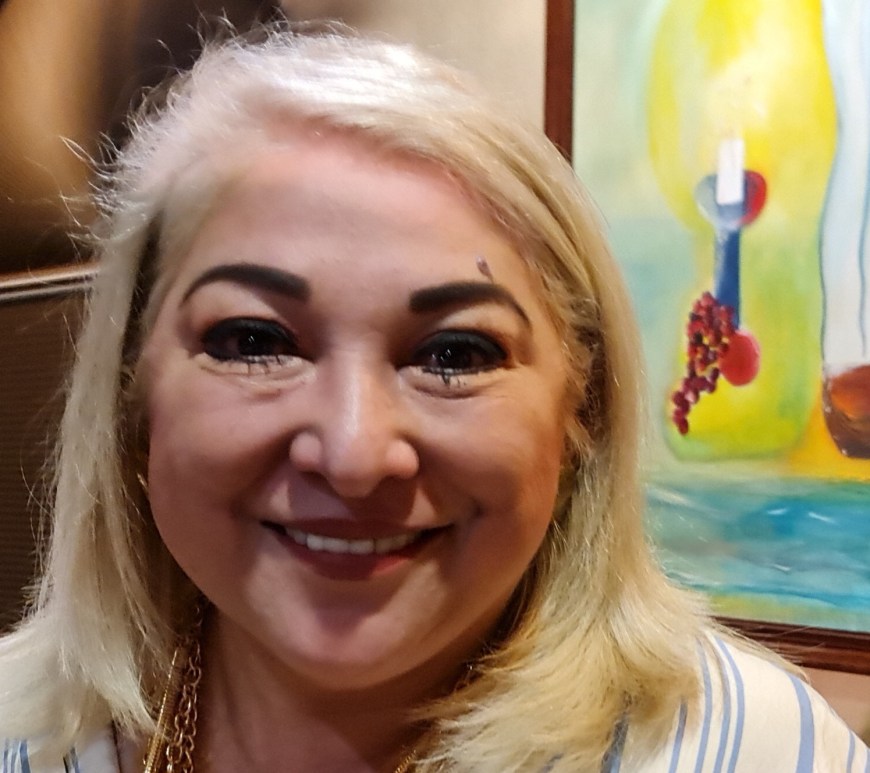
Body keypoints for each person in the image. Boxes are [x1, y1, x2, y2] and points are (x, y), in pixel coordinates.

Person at [0, 23, 866, 773]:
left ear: (583, 412)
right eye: (255, 342)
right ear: (132, 393)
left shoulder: (759, 747)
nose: (354, 452)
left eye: (455, 354)